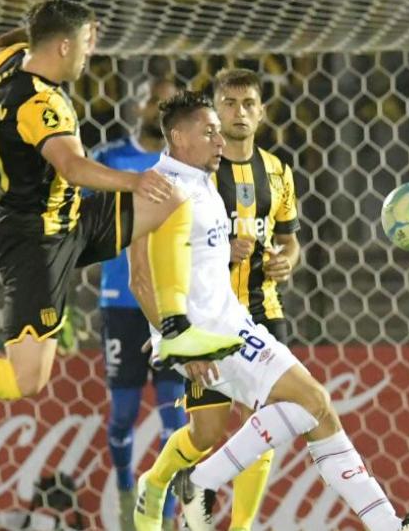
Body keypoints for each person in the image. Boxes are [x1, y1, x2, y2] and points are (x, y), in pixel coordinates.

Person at [0, 0, 242, 451]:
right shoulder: (39, 102)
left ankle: (175, 327)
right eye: (82, 46)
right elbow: (73, 167)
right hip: (37, 241)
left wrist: (44, 29)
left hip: (72, 218)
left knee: (174, 196)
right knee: (26, 378)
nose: (87, 56)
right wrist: (135, 179)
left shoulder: (7, 64)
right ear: (60, 47)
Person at [129, 90, 409, 531]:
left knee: (315, 409)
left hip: (236, 323)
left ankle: (389, 526)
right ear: (177, 136)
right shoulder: (159, 188)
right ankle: (200, 482)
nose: (218, 141)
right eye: (208, 132)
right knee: (306, 404)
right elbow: (140, 278)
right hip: (208, 335)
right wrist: (180, 346)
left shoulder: (201, 181)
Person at [146, 68, 301, 531]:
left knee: (270, 421)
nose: (239, 113)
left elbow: (291, 238)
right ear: (213, 111)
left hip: (263, 309)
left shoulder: (278, 170)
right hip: (211, 317)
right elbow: (165, 245)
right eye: (228, 104)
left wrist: (287, 261)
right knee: (206, 434)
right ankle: (156, 481)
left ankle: (242, 526)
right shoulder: (196, 173)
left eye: (248, 103)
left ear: (262, 112)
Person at [92, 77, 186, 531]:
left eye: (167, 101)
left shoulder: (186, 165)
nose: (158, 106)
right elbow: (79, 220)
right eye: (152, 97)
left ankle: (163, 512)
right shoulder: (108, 159)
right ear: (138, 104)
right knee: (124, 412)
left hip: (172, 304)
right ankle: (127, 491)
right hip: (121, 304)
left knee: (174, 412)